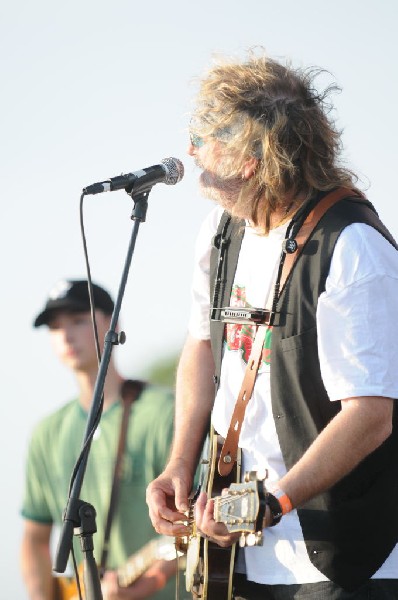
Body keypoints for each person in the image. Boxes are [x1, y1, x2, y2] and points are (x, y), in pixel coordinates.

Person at [146, 50, 398, 599]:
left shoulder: (352, 246)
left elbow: (371, 416)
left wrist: (273, 502)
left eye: (203, 135)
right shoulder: (220, 229)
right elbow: (201, 347)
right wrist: (179, 467)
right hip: (237, 556)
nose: (190, 150)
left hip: (341, 561)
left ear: (250, 159)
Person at [20, 278, 179, 600]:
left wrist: (149, 584)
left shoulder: (166, 412)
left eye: (78, 320)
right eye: (54, 327)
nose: (65, 334)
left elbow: (192, 524)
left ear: (113, 324)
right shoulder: (46, 433)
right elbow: (35, 537)